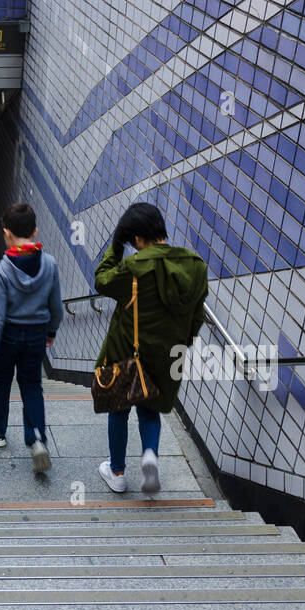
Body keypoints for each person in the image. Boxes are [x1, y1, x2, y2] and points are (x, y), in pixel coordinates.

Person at [94, 203, 208, 495]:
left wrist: (115, 246)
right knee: (150, 410)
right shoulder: (195, 266)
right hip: (170, 355)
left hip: (128, 352)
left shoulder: (135, 267)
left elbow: (102, 280)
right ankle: (150, 458)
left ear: (136, 239)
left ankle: (117, 472)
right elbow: (198, 316)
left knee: (119, 410)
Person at [0, 202, 62, 473]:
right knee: (31, 386)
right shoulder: (49, 265)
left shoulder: (2, 270)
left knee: (1, 383)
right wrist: (51, 331)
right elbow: (56, 306)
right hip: (37, 335)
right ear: (36, 231)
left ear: (6, 233)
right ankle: (37, 439)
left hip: (7, 337)